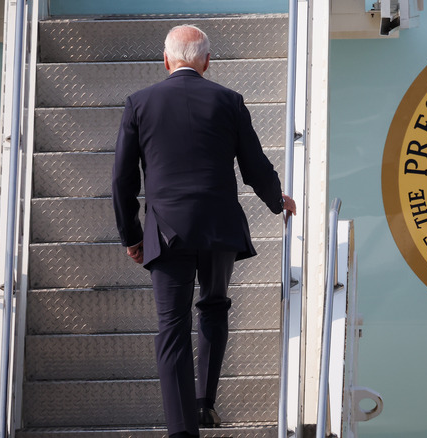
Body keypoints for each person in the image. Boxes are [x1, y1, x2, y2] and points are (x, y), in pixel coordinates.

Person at [112, 24, 296, 438]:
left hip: (167, 232)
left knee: (171, 328)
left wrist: (132, 236)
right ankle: (204, 403)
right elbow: (254, 165)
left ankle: (182, 430)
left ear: (166, 60)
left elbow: (123, 180)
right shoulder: (229, 101)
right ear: (207, 61)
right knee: (214, 307)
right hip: (218, 229)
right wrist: (276, 201)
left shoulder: (139, 104)